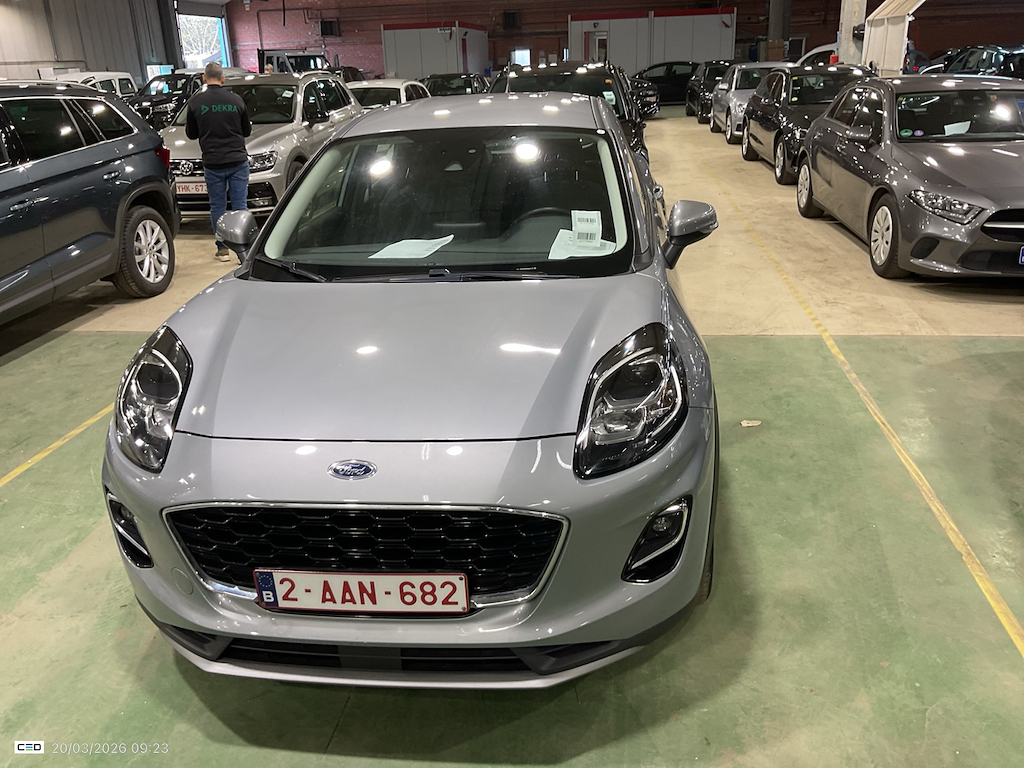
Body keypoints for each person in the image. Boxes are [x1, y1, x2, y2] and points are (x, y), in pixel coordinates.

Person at [185, 62, 252, 262]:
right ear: (223, 78)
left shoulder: (196, 102)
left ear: (204, 78)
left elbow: (191, 134)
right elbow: (246, 131)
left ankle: (222, 249)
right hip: (237, 160)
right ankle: (244, 249)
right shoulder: (236, 100)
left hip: (213, 162)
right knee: (240, 206)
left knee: (217, 207)